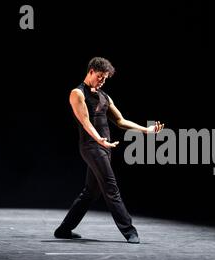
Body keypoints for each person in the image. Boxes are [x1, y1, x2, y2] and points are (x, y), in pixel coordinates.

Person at [54, 57, 164, 244]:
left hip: (105, 147)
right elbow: (85, 121)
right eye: (99, 77)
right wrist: (98, 139)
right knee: (110, 187)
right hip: (91, 146)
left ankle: (64, 229)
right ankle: (129, 231)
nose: (102, 81)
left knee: (91, 192)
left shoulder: (105, 96)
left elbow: (121, 121)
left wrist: (147, 130)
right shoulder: (77, 93)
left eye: (105, 78)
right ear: (90, 72)